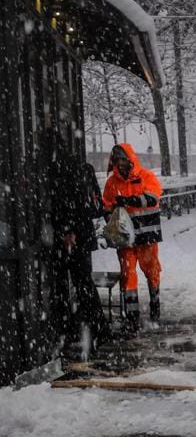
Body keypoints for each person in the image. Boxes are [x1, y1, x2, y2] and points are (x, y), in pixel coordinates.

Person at [44, 131, 111, 351]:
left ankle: (70, 328)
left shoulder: (55, 169)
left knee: (64, 284)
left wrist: (67, 230)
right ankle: (98, 328)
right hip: (83, 233)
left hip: (67, 237)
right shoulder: (84, 167)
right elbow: (95, 204)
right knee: (84, 283)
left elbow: (63, 202)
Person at [101, 143, 163, 335]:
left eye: (122, 160)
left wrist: (129, 201)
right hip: (125, 239)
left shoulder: (146, 176)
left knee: (151, 270)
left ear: (130, 159)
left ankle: (155, 302)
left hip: (147, 235)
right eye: (117, 161)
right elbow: (106, 206)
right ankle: (132, 317)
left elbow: (153, 198)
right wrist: (112, 218)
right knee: (128, 275)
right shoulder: (112, 183)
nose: (120, 164)